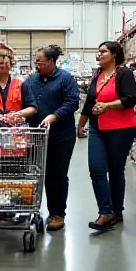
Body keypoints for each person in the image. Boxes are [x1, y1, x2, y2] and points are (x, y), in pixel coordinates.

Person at [78, 41, 136, 232]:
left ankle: (117, 210)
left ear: (114, 54)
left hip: (121, 128)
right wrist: (80, 125)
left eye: (103, 51)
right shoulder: (97, 74)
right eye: (98, 51)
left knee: (115, 170)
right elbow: (89, 101)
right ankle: (105, 211)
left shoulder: (124, 74)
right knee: (96, 168)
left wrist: (108, 106)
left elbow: (130, 99)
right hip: (97, 128)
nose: (99, 54)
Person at [26, 45, 80, 232]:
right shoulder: (31, 79)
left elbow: (72, 102)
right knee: (35, 173)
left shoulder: (66, 79)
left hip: (61, 136)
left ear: (51, 61)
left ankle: (57, 213)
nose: (37, 65)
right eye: (36, 61)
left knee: (57, 175)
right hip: (35, 135)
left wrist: (53, 116)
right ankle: (30, 209)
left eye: (39, 61)